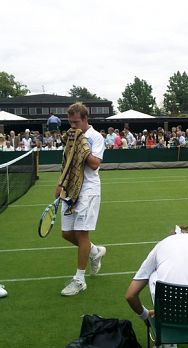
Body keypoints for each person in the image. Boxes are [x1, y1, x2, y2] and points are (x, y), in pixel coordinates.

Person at [55, 102, 106, 296]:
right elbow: (66, 163)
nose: (73, 126)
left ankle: (80, 279)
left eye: (76, 122)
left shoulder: (95, 137)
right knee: (67, 234)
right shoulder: (70, 136)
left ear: (85, 119)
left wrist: (81, 146)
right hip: (70, 189)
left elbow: (94, 164)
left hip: (89, 190)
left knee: (81, 234)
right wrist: (60, 183)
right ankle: (94, 251)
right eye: (70, 122)